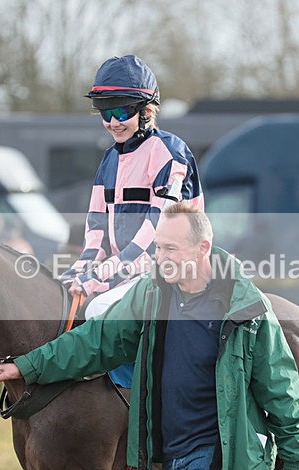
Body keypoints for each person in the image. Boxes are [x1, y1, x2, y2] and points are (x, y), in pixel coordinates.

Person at [0, 203, 299, 470]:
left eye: (171, 248)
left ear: (202, 249)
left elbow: (282, 391)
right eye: (158, 247)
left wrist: (298, 465)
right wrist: (25, 368)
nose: (160, 257)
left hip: (217, 459)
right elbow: (95, 341)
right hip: (173, 456)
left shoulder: (248, 309)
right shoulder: (154, 292)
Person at [62, 55, 204, 389]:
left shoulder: (170, 152)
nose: (113, 122)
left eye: (121, 112)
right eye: (105, 113)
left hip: (171, 266)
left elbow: (157, 231)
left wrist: (103, 273)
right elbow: (96, 230)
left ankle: (139, 397)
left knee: (100, 310)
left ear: (146, 110)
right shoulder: (109, 159)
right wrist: (81, 268)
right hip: (127, 271)